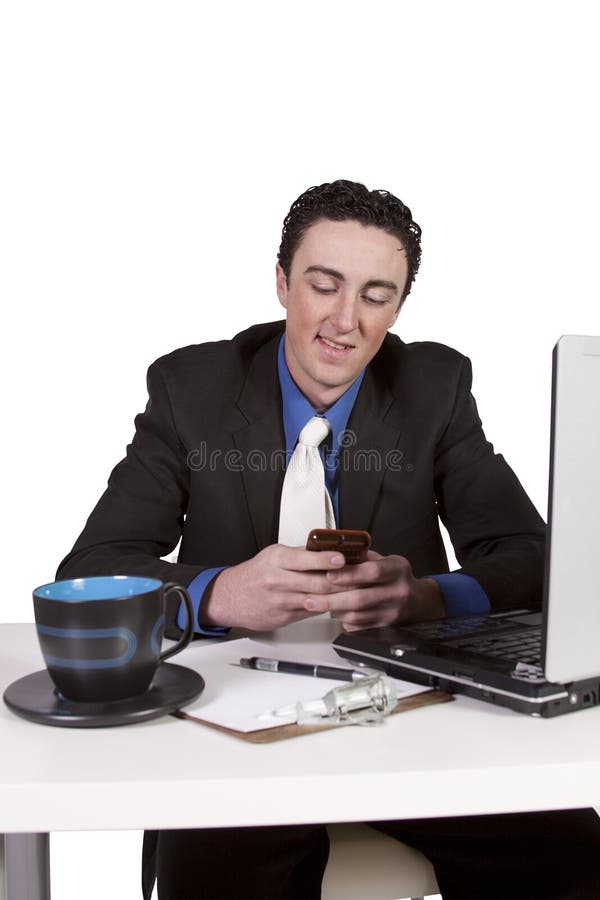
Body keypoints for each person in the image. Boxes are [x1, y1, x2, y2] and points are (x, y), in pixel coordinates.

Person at [57, 180, 600, 899]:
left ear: (397, 309)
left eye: (376, 296)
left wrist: (430, 598)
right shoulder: (192, 389)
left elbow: (534, 558)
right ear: (283, 284)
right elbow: (92, 569)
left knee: (575, 858)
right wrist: (219, 594)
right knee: (219, 879)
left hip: (407, 717)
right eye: (323, 286)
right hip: (235, 730)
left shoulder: (434, 387)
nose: (345, 321)